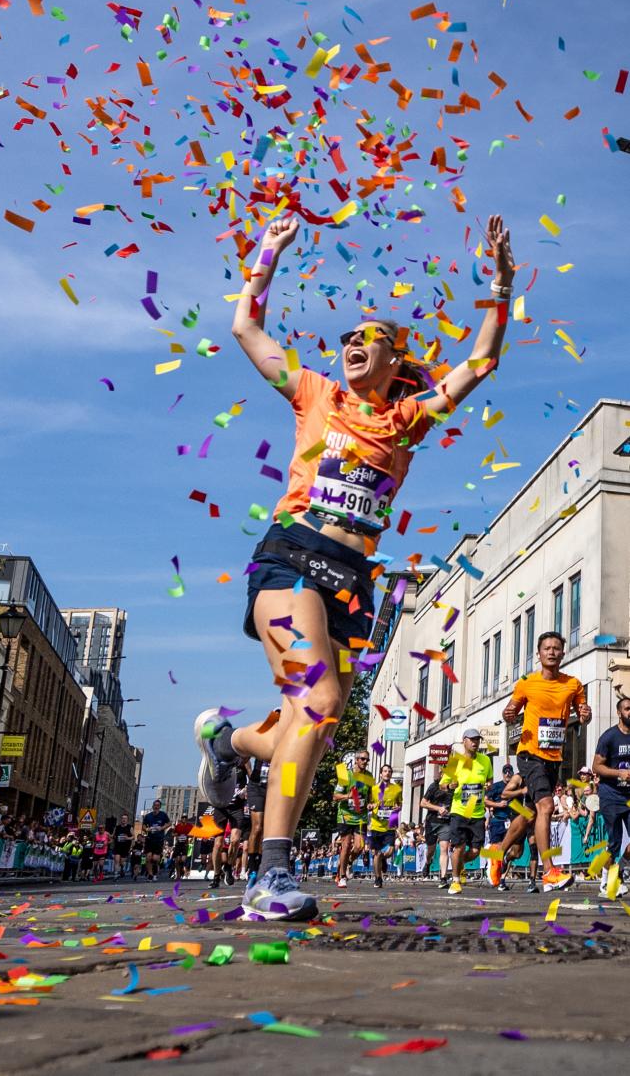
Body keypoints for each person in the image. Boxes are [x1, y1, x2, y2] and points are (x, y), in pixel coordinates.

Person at [194, 213, 515, 920]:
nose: (347, 348)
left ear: (396, 360)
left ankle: (225, 739)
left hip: (352, 579)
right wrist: (267, 254)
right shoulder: (316, 394)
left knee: (308, 721)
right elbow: (248, 330)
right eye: (344, 340)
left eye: (364, 340)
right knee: (321, 700)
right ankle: (270, 877)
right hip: (289, 556)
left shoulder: (407, 423)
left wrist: (501, 281)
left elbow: (482, 360)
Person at [496, 631, 591, 891]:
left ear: (563, 653)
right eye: (546, 648)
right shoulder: (527, 682)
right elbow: (510, 713)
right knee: (547, 806)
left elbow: (584, 716)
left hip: (554, 757)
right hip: (529, 754)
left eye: (556, 648)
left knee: (531, 815)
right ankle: (549, 872)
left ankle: (498, 854)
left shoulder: (573, 684)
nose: (551, 652)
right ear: (538, 654)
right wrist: (509, 714)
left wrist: (585, 713)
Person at [441, 727, 492, 894]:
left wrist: (488, 785)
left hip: (476, 811)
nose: (475, 743)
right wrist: (449, 785)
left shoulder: (485, 760)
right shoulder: (455, 761)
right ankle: (455, 881)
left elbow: (489, 779)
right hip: (460, 810)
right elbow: (442, 785)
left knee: (476, 851)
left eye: (477, 739)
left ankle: (458, 863)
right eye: (472, 739)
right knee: (459, 847)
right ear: (464, 741)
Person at [592, 696, 630, 897]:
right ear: (619, 712)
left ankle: (620, 870)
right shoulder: (609, 737)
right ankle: (606, 882)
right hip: (611, 795)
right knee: (614, 843)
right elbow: (596, 767)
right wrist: (619, 773)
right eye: (627, 708)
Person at [333, 749, 373, 889]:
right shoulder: (345, 775)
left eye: (367, 759)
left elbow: (370, 797)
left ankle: (347, 862)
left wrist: (371, 804)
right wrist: (347, 796)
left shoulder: (369, 776)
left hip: (360, 816)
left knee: (360, 846)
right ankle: (342, 876)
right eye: (362, 759)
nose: (365, 762)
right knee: (346, 845)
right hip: (345, 814)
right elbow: (335, 796)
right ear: (356, 760)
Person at [368, 764, 403, 889]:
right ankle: (378, 878)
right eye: (385, 771)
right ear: (381, 774)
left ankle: (383, 859)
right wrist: (370, 806)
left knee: (389, 851)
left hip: (391, 823)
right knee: (376, 853)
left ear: (391, 774)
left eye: (389, 771)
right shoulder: (373, 789)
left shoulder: (397, 789)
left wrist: (398, 808)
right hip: (377, 825)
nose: (387, 773)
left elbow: (400, 804)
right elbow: (369, 803)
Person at [420, 766, 454, 887]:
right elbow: (422, 803)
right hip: (432, 822)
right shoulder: (434, 786)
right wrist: (438, 808)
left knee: (444, 849)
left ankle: (443, 878)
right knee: (431, 850)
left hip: (445, 823)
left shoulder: (454, 787)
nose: (441, 773)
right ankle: (428, 862)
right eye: (441, 771)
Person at [245, 755, 270, 880]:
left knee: (267, 829)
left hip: (274, 787)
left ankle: (260, 863)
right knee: (258, 826)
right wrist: (251, 774)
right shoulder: (263, 737)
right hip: (257, 787)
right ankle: (251, 866)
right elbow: (244, 756)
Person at [142, 799, 170, 879]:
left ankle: (155, 869)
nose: (156, 807)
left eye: (158, 805)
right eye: (155, 805)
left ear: (160, 807)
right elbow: (143, 825)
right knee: (148, 858)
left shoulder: (163, 815)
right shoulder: (148, 816)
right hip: (150, 839)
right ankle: (150, 875)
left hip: (159, 839)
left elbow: (169, 823)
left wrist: (162, 828)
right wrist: (147, 829)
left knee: (155, 859)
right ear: (153, 806)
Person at [170, 814, 193, 880]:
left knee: (183, 859)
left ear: (187, 819)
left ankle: (182, 870)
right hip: (178, 844)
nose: (184, 819)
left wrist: (188, 836)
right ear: (181, 819)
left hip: (185, 844)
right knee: (177, 860)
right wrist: (176, 835)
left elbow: (193, 833)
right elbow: (173, 834)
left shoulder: (189, 826)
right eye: (183, 817)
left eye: (185, 818)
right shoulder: (178, 826)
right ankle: (178, 874)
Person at [113, 812, 134, 879]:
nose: (124, 820)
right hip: (117, 846)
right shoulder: (117, 827)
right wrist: (113, 837)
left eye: (125, 818)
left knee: (122, 862)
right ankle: (116, 874)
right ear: (121, 819)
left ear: (127, 820)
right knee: (116, 861)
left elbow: (133, 837)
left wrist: (128, 838)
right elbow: (113, 835)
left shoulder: (130, 827)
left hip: (125, 847)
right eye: (122, 818)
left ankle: (122, 869)